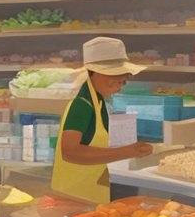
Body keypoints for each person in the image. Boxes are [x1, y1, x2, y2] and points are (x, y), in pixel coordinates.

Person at [52, 37, 154, 204]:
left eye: (124, 76)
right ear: (96, 73)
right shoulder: (82, 104)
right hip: (73, 198)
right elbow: (70, 152)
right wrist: (128, 151)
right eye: (117, 75)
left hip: (88, 194)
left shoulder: (97, 100)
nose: (124, 81)